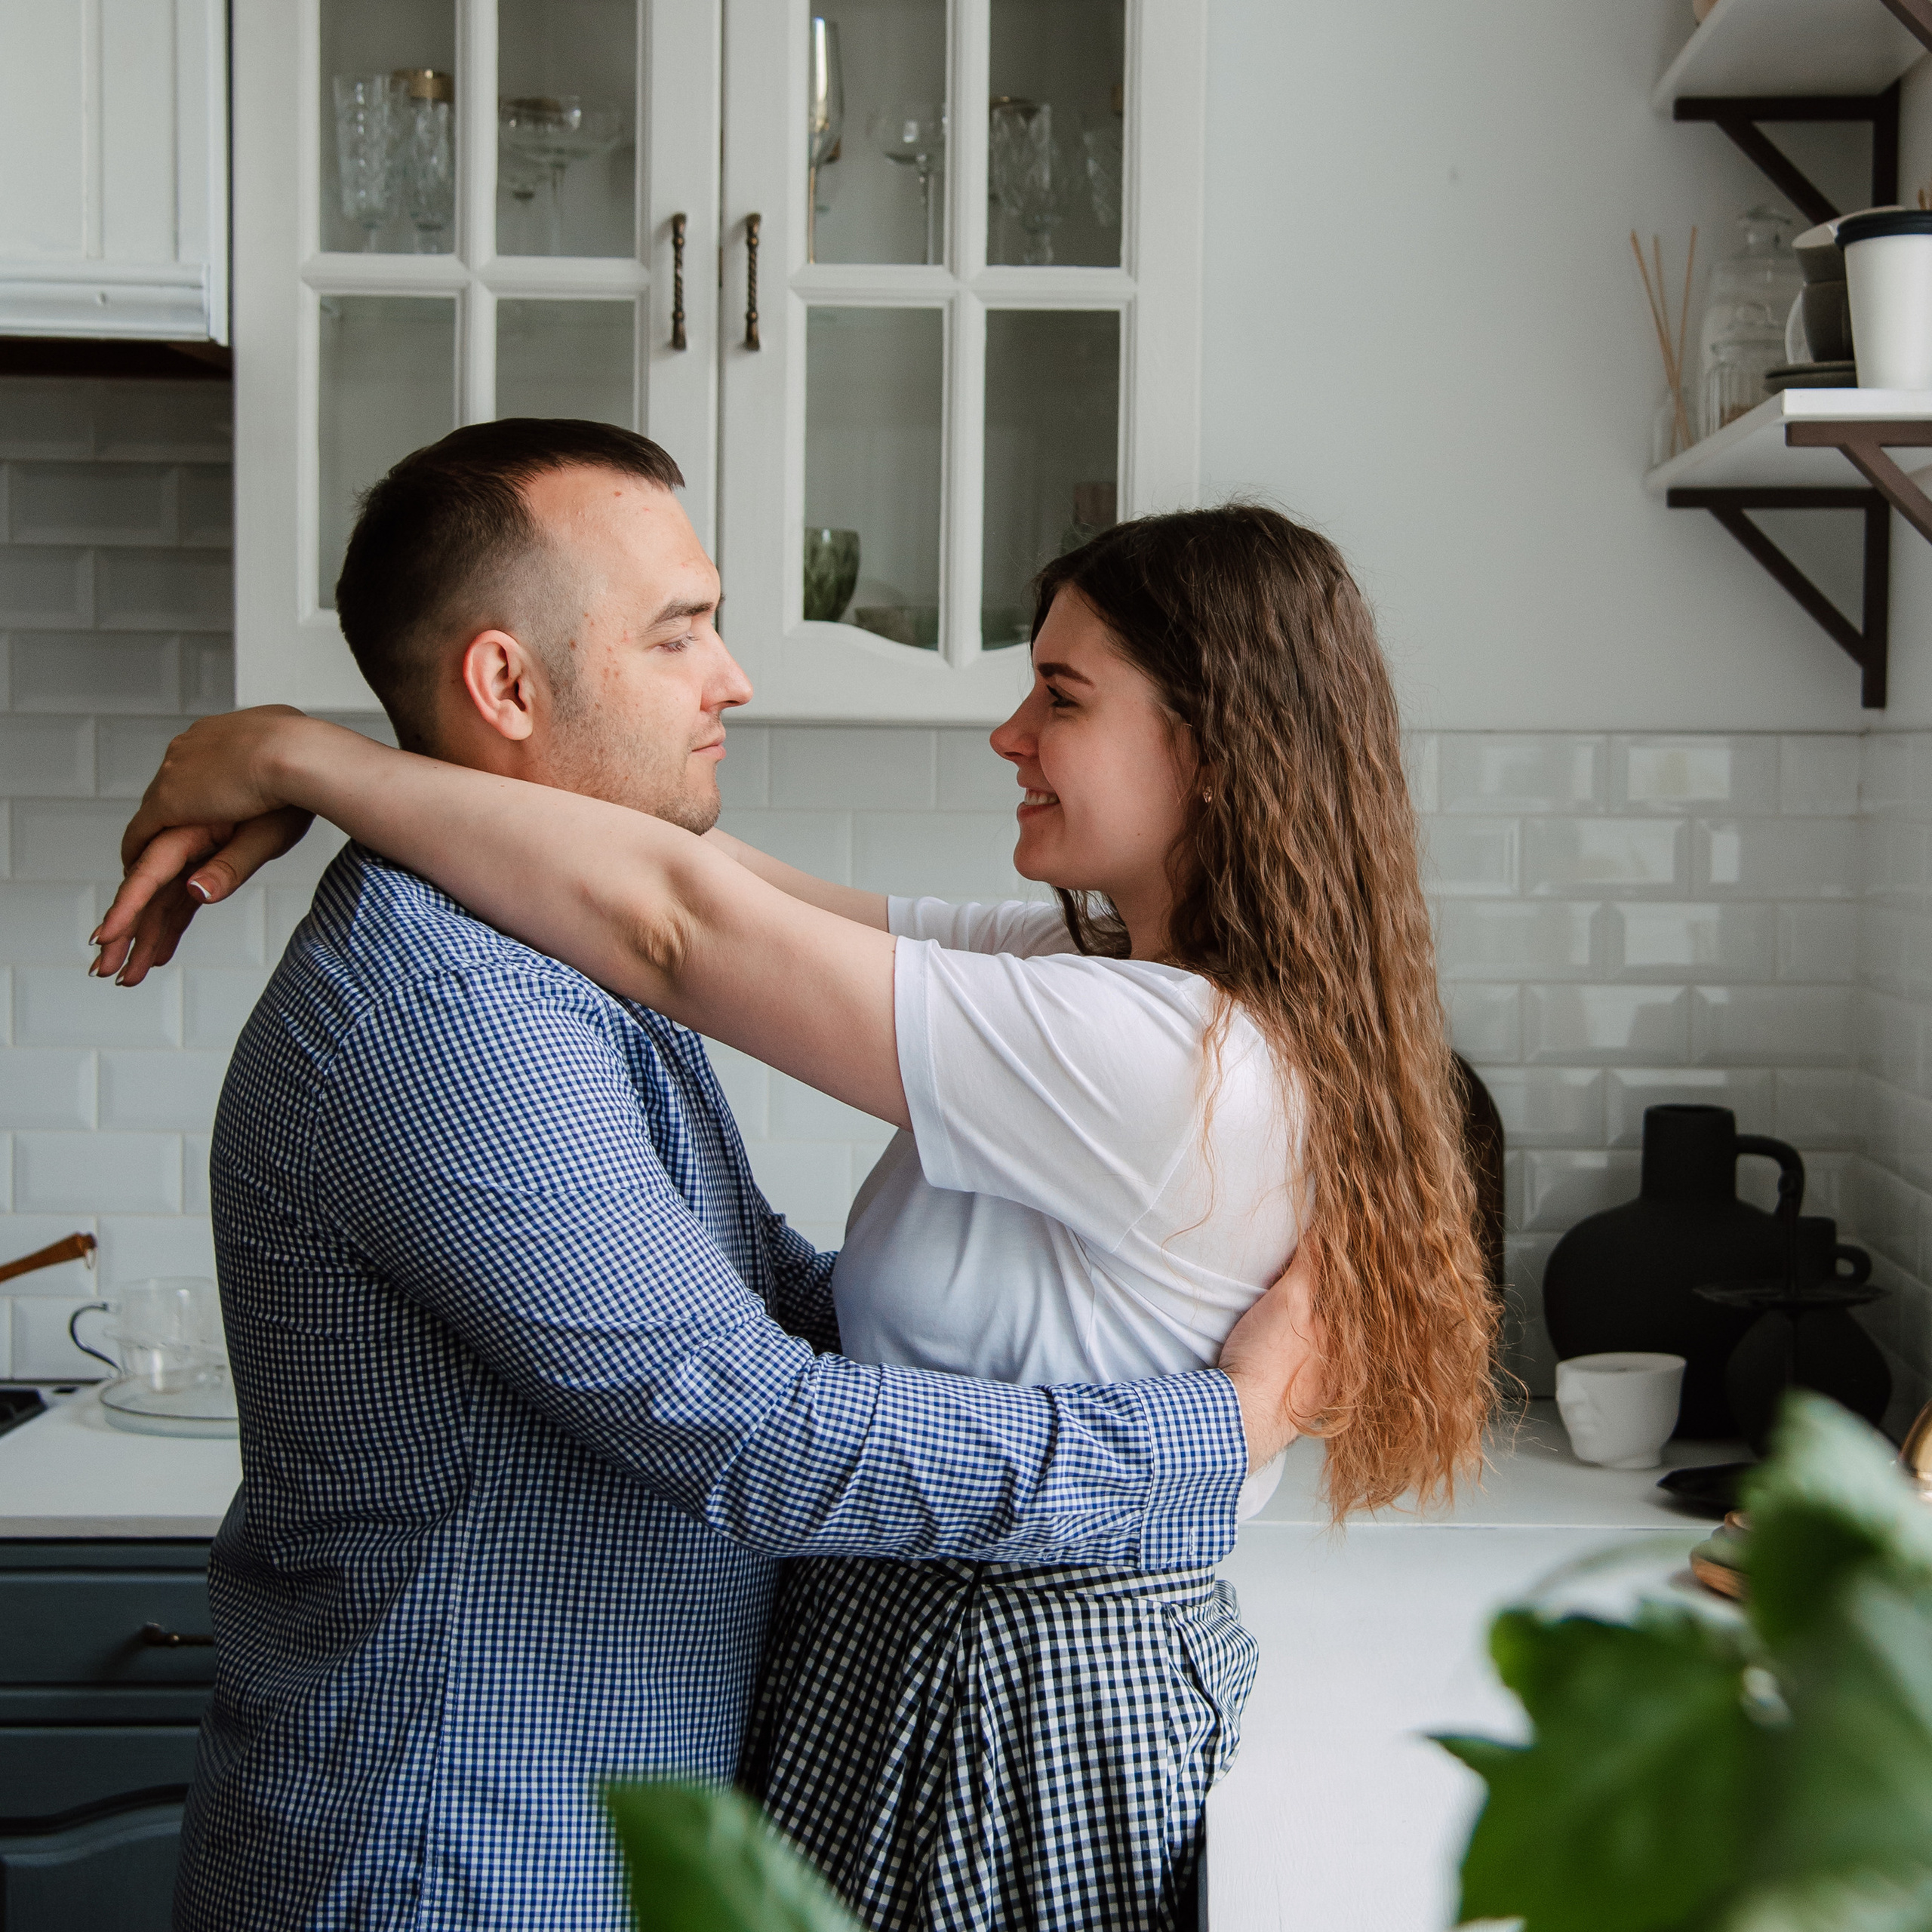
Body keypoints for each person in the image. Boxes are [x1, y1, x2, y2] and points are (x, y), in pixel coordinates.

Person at [105, 475, 1496, 1930]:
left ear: (1215, 751)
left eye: (1060, 698)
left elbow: (685, 925)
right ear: (506, 678)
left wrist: (293, 753)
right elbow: (703, 906)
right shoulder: (481, 982)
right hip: (474, 1839)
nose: (735, 676)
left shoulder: (1158, 1050)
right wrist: (1206, 1433)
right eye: (684, 631)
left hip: (988, 1701)